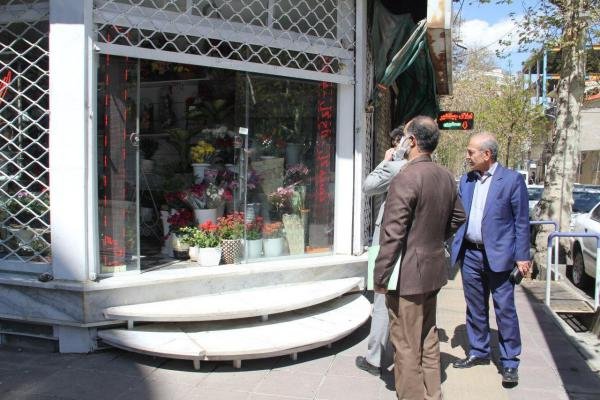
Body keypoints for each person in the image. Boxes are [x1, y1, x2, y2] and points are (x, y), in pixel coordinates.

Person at [374, 116, 466, 400]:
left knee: (405, 343)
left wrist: (380, 277)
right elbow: (459, 217)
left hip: (408, 275)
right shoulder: (445, 175)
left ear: (411, 141)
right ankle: (433, 393)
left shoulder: (406, 176)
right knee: (428, 337)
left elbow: (393, 234)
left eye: (404, 137)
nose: (402, 141)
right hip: (433, 269)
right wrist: (433, 237)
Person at [450, 133, 531, 385]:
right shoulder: (467, 180)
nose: (467, 156)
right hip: (470, 254)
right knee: (475, 307)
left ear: (487, 154)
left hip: (500, 256)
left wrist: (522, 257)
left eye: (471, 151)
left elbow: (521, 221)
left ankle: (509, 361)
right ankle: (479, 351)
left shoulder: (512, 180)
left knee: (505, 310)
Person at [355, 126, 408, 376]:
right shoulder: (432, 169)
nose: (394, 146)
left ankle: (374, 358)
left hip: (387, 236)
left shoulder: (397, 167)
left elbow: (369, 186)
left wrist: (386, 161)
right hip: (414, 243)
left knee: (381, 296)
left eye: (397, 141)